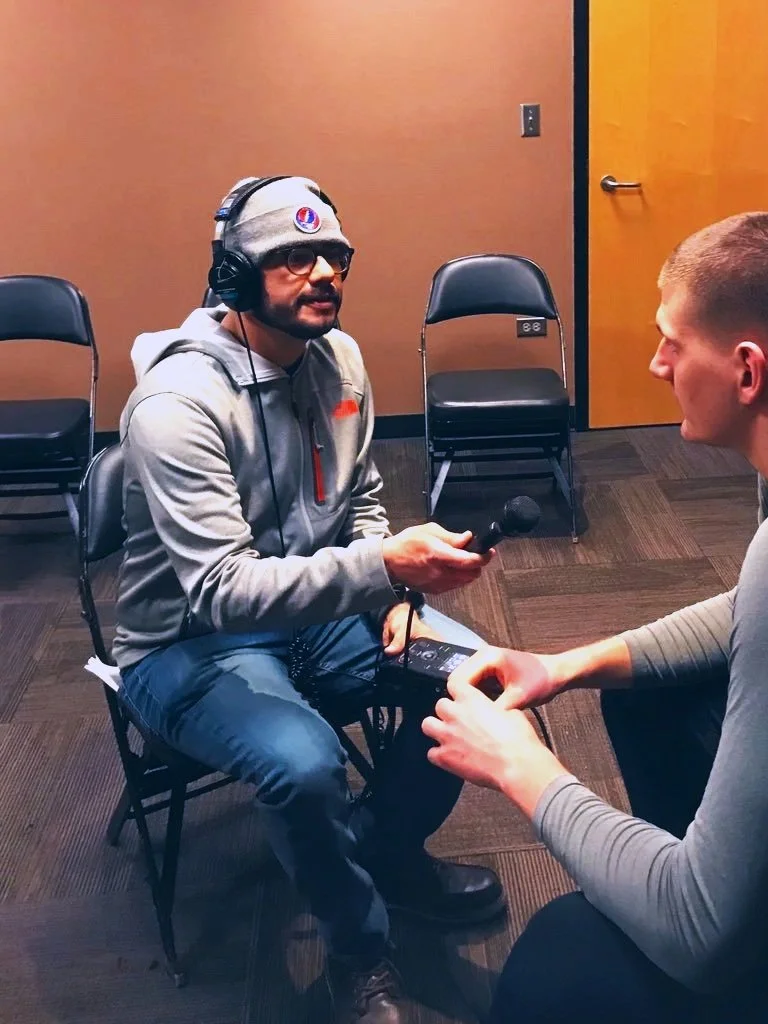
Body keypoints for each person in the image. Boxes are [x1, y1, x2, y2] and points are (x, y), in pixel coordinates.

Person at [422, 211, 768, 1022]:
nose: (656, 364)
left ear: (748, 371)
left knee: (566, 957)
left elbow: (701, 932)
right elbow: (765, 610)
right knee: (648, 691)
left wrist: (519, 766)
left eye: (672, 343)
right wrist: (565, 664)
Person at [113, 175, 505, 1024]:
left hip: (317, 615)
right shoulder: (177, 405)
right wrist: (383, 570)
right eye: (292, 258)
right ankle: (358, 953)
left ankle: (377, 856)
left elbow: (359, 502)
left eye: (334, 256)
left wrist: (391, 594)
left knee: (477, 677)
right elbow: (221, 592)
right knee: (303, 764)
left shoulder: (342, 360)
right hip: (189, 644)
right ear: (234, 278)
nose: (322, 273)